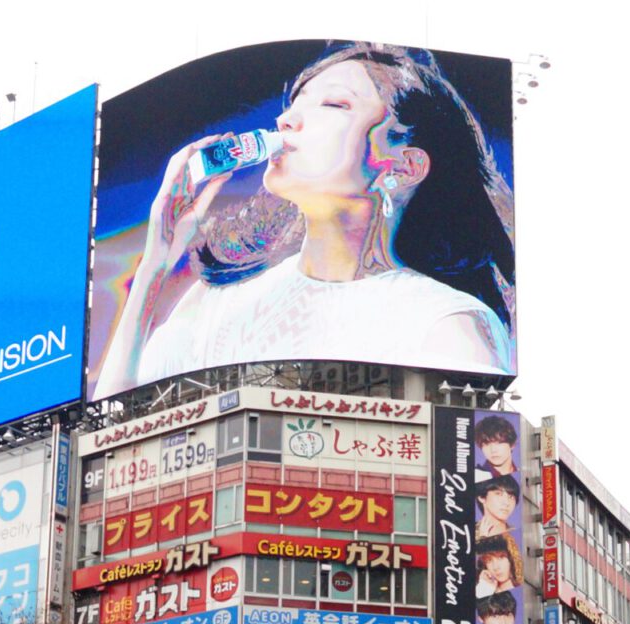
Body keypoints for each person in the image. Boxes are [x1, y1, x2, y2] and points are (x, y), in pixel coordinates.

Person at [92, 42, 514, 398]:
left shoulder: (447, 323)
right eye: (295, 102)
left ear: (402, 167)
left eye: (333, 104)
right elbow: (119, 432)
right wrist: (155, 265)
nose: (286, 120)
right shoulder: (219, 300)